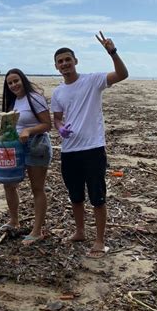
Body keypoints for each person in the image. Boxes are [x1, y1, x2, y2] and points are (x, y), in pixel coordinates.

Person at [51, 31, 129, 258]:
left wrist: (112, 52)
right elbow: (56, 118)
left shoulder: (92, 80)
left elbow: (123, 74)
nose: (65, 64)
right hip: (69, 150)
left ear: (76, 61)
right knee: (75, 195)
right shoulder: (58, 91)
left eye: (68, 59)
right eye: (60, 61)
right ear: (56, 67)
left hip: (93, 148)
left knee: (97, 195)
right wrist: (59, 127)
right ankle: (80, 231)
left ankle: (100, 240)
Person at [0, 69, 52, 245]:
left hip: (37, 145)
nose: (14, 85)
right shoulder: (13, 101)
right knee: (9, 183)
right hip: (17, 146)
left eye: (16, 81)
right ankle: (14, 220)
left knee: (37, 188)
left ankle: (37, 231)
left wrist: (28, 130)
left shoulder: (35, 97)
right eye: (10, 83)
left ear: (23, 80)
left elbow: (47, 124)